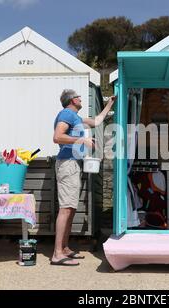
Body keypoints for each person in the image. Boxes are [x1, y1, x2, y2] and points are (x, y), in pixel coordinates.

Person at [51, 89, 115, 266]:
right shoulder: (66, 114)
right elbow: (57, 137)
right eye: (79, 96)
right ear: (72, 100)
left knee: (71, 208)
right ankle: (57, 253)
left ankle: (64, 248)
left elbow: (96, 121)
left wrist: (110, 103)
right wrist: (81, 141)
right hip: (67, 164)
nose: (81, 98)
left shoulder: (77, 118)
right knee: (66, 208)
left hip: (73, 164)